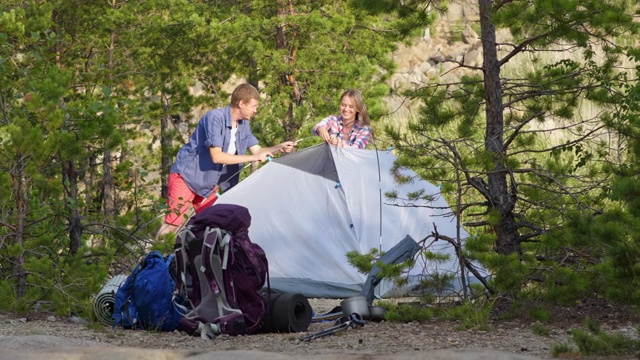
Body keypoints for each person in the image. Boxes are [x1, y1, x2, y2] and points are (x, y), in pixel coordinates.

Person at [156, 83, 296, 237]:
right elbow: (217, 156)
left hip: (207, 185)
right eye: (254, 106)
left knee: (214, 225)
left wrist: (279, 147)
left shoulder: (244, 125)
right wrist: (254, 157)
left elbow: (257, 150)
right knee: (172, 224)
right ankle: (152, 259)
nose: (256, 110)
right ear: (241, 103)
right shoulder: (215, 118)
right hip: (186, 177)